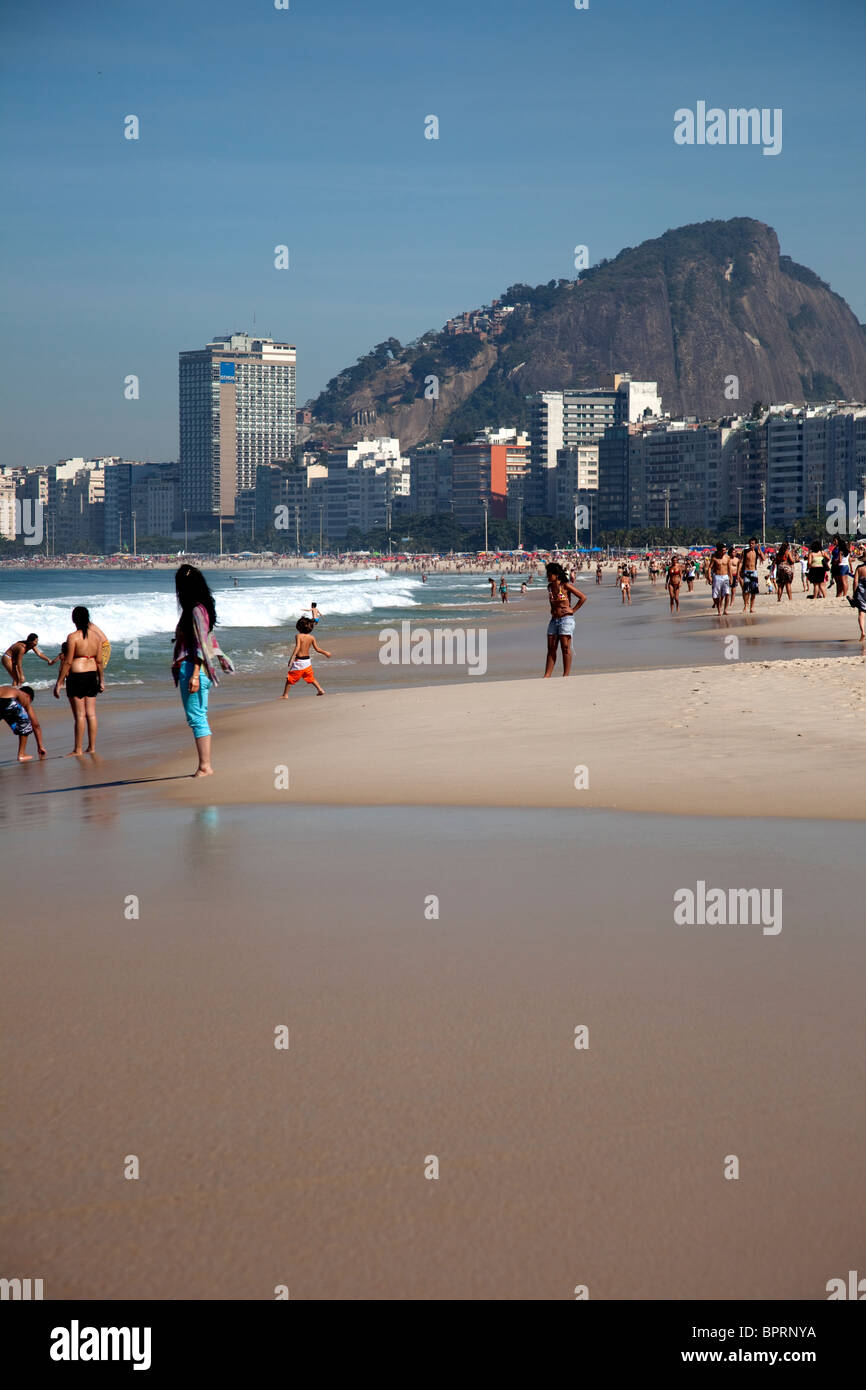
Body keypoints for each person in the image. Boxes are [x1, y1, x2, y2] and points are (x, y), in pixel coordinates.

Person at [172, 564, 235, 777]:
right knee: (200, 716)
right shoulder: (202, 608)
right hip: (197, 668)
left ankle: (205, 766)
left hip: (194, 668)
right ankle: (204, 765)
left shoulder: (196, 610)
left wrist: (195, 674)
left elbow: (200, 644)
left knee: (197, 718)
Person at [53, 607, 105, 756]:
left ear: (73, 619)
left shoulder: (73, 637)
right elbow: (100, 661)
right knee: (92, 714)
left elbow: (68, 662)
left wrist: (59, 683)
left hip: (77, 677)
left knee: (80, 715)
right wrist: (101, 680)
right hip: (92, 675)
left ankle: (78, 749)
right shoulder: (96, 637)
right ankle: (92, 747)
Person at [543, 562, 586, 678]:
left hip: (566, 620)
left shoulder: (565, 585)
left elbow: (583, 597)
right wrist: (553, 610)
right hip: (554, 620)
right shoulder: (550, 587)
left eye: (549, 574)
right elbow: (552, 603)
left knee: (565, 647)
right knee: (551, 647)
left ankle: (566, 675)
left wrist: (573, 610)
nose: (547, 576)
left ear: (556, 575)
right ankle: (547, 675)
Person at [282, 617, 330, 697]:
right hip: (307, 661)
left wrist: (292, 657)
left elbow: (297, 647)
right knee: (310, 677)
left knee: (290, 678)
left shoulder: (298, 636)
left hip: (299, 661)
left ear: (299, 627)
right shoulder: (311, 637)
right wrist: (325, 653)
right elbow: (317, 649)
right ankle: (320, 689)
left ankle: (285, 695)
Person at [0, 684, 46, 762]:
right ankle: (21, 754)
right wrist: (40, 746)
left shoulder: (9, 690)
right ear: (28, 697)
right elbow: (35, 725)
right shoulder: (22, 696)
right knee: (25, 722)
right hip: (8, 702)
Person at [740, 537, 765, 613]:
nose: (751, 545)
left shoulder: (757, 551)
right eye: (750, 543)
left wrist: (760, 549)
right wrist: (740, 571)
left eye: (753, 543)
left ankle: (751, 607)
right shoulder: (745, 551)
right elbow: (741, 562)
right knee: (746, 591)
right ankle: (745, 606)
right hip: (746, 571)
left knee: (753, 591)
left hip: (754, 571)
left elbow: (763, 558)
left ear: (755, 544)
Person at [709, 542, 733, 614]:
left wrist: (731, 577)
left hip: (725, 576)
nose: (724, 552)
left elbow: (729, 569)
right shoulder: (714, 558)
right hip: (717, 577)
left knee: (727, 593)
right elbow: (710, 567)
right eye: (723, 550)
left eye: (725, 550)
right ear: (719, 551)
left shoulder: (727, 557)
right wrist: (709, 577)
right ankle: (719, 610)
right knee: (717, 595)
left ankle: (725, 610)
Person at [850, 554, 866, 641]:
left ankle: (863, 632)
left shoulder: (859, 568)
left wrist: (854, 593)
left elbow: (855, 582)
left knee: (861, 613)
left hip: (861, 592)